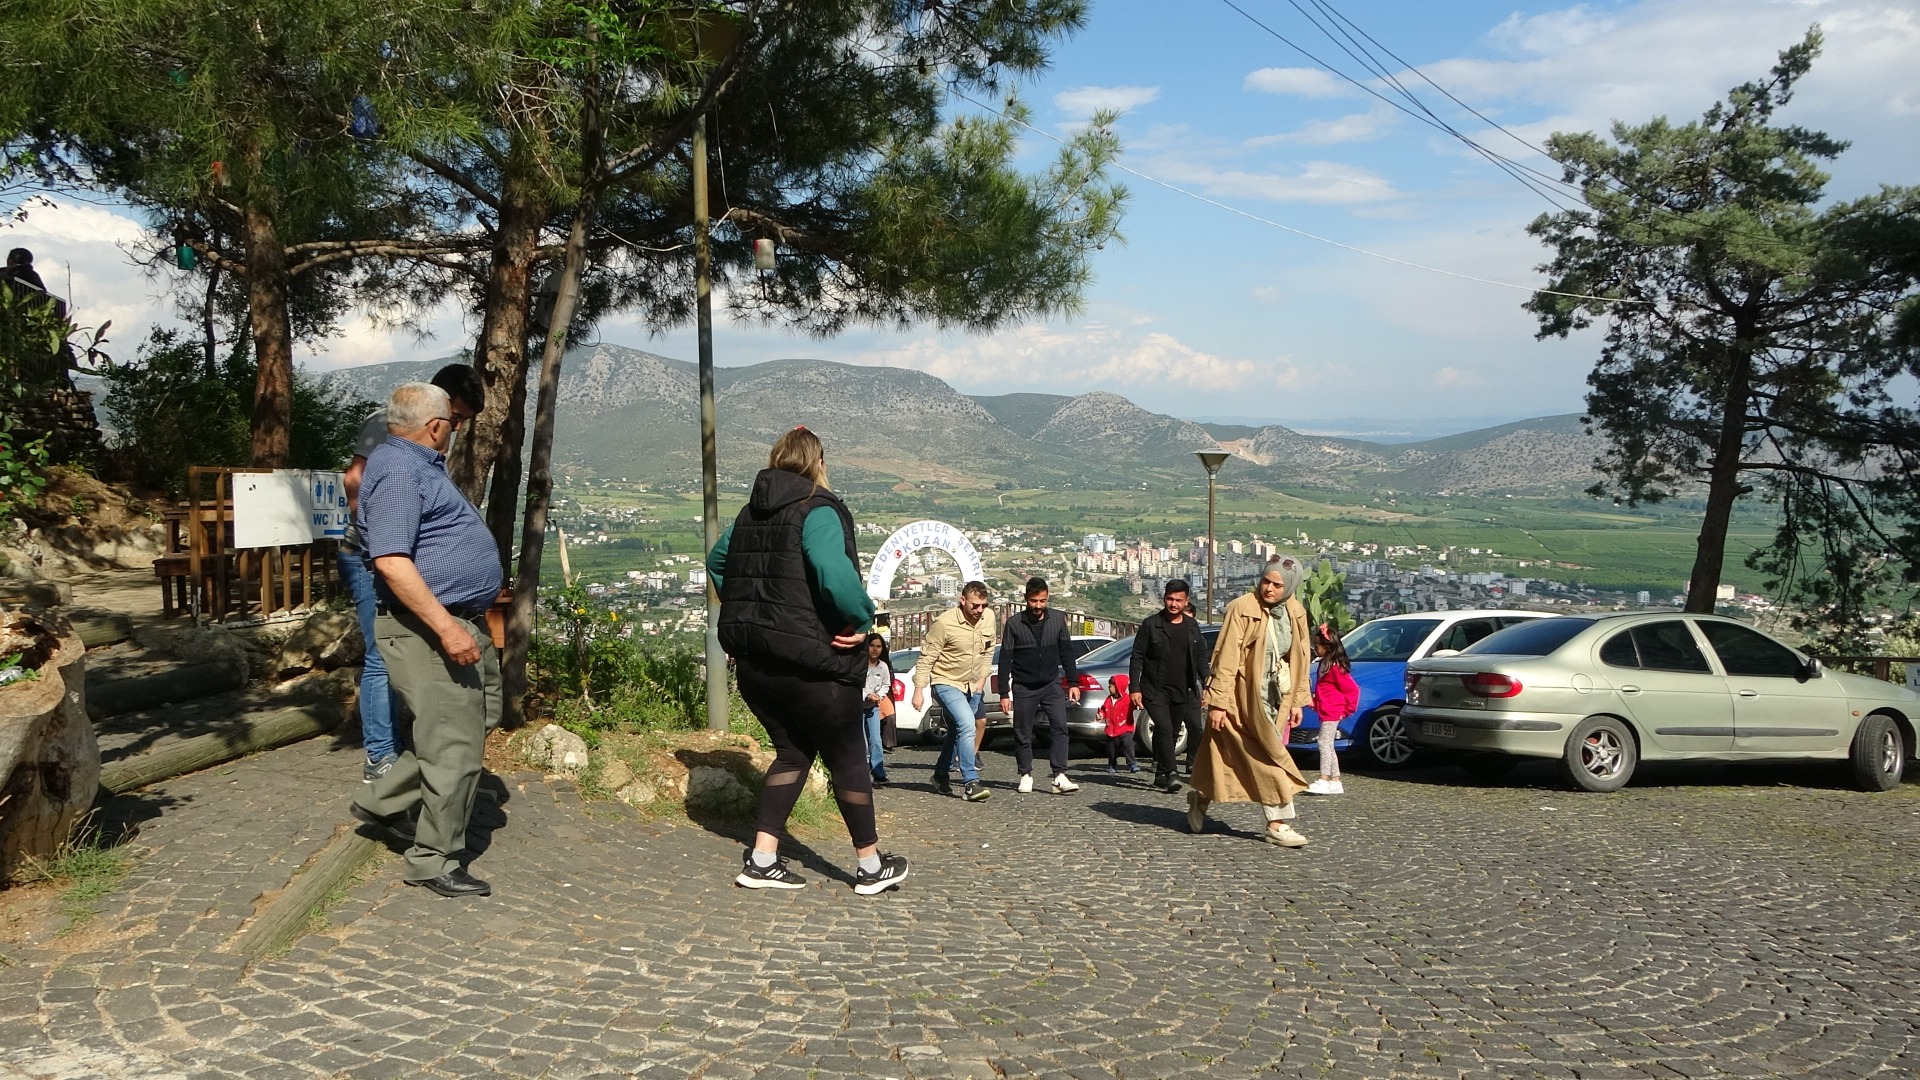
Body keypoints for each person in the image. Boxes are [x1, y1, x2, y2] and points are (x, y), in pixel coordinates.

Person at [709, 426, 909, 895]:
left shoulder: (748, 514)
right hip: (814, 667)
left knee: (792, 753)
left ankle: (761, 859)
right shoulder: (817, 510)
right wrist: (861, 618)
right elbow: (832, 571)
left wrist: (752, 611)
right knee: (848, 758)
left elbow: (718, 563)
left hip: (758, 669)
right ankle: (870, 865)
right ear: (818, 463)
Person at [349, 382, 504, 897]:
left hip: (456, 621)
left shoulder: (414, 464)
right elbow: (391, 561)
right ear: (437, 425)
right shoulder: (398, 471)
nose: (455, 431)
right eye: (453, 424)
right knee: (454, 748)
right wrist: (446, 627)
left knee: (473, 723)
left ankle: (383, 801)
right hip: (432, 629)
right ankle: (433, 859)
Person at [341, 364, 485, 786]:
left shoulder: (431, 438)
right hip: (371, 557)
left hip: (399, 558)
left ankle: (413, 743)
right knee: (380, 654)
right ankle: (380, 758)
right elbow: (355, 480)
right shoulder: (389, 426)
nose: (456, 429)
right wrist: (381, 543)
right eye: (455, 419)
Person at [1187, 555, 1313, 848]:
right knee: (1269, 758)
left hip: (1274, 698)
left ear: (1290, 587)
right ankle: (1277, 823)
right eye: (1266, 581)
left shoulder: (1296, 612)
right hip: (1240, 699)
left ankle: (1200, 798)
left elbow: (1301, 657)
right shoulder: (1241, 608)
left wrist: (1297, 701)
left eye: (1277, 585)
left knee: (1220, 756)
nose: (1269, 588)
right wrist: (1218, 702)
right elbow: (1226, 656)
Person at [912, 581, 996, 802]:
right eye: (975, 605)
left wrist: (982, 678)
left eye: (983, 606)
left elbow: (989, 651)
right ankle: (971, 782)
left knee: (957, 730)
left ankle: (940, 775)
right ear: (963, 601)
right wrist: (919, 689)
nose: (979, 611)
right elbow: (927, 657)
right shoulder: (945, 623)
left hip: (973, 684)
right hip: (945, 681)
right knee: (967, 723)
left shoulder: (989, 618)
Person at [998, 576, 1082, 795]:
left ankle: (1059, 774)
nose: (1038, 606)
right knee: (1022, 731)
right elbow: (1005, 659)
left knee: (1060, 727)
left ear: (1047, 598)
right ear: (1026, 599)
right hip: (1024, 686)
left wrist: (1073, 682)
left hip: (1051, 683)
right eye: (1034, 601)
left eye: (1042, 601)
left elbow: (1067, 652)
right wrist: (1004, 693)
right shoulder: (1014, 624)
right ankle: (1025, 774)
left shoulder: (1057, 620)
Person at [1129, 578, 1211, 794]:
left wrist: (1208, 682)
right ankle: (1171, 773)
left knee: (1172, 731)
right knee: (1164, 728)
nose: (1173, 604)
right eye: (1169, 599)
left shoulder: (1192, 627)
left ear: (1186, 602)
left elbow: (1201, 658)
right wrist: (1134, 688)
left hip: (1182, 689)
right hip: (1154, 688)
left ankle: (1159, 773)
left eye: (1178, 600)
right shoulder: (1151, 625)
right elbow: (1137, 657)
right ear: (1164, 598)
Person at [1307, 624, 1358, 795]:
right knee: (1328, 744)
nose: (1315, 649)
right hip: (1327, 709)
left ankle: (1324, 778)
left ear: (1327, 647)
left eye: (1317, 646)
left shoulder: (1334, 667)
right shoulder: (1325, 664)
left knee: (1323, 743)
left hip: (1333, 710)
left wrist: (1348, 709)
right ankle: (1335, 781)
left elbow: (1352, 689)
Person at [861, 633, 893, 785]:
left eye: (878, 646)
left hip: (873, 707)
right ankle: (861, 774)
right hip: (858, 707)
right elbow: (855, 684)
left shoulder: (883, 666)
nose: (875, 649)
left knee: (876, 741)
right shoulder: (860, 664)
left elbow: (886, 685)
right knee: (862, 743)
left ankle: (879, 773)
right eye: (872, 645)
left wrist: (878, 696)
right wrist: (867, 695)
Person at [1099, 674, 1138, 775]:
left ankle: (1132, 763)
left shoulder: (1127, 699)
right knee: (1112, 749)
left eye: (1111, 685)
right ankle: (1112, 764)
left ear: (1118, 686)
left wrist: (1139, 705)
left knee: (1127, 743)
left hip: (1125, 727)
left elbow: (1135, 705)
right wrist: (1100, 715)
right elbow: (1104, 710)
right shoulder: (1108, 699)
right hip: (1111, 729)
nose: (1109, 687)